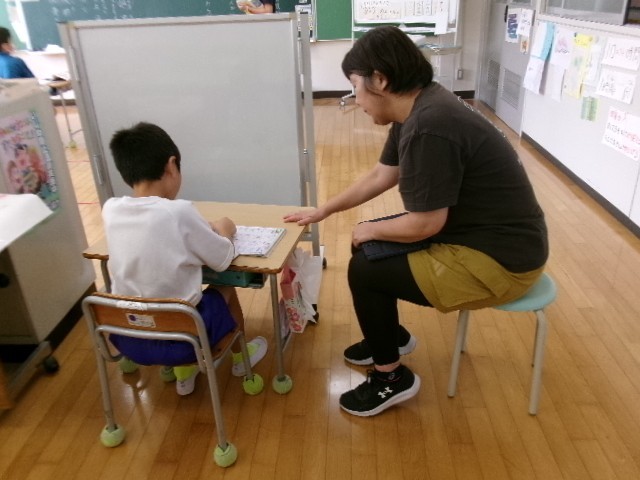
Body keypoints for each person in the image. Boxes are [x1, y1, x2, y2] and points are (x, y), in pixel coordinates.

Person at [284, 26, 548, 417]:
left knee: (366, 269)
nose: (356, 100)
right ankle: (388, 337)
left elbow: (425, 224)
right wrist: (325, 210)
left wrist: (369, 229)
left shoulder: (429, 125)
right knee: (368, 247)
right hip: (486, 235)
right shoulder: (418, 107)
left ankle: (390, 378)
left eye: (355, 87)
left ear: (380, 80)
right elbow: (382, 175)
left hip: (502, 261)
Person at [103, 122, 268, 395]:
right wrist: (225, 229)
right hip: (184, 340)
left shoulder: (110, 210)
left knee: (165, 296)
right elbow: (222, 258)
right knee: (225, 284)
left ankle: (183, 372)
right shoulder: (178, 212)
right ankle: (242, 358)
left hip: (129, 336)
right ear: (171, 166)